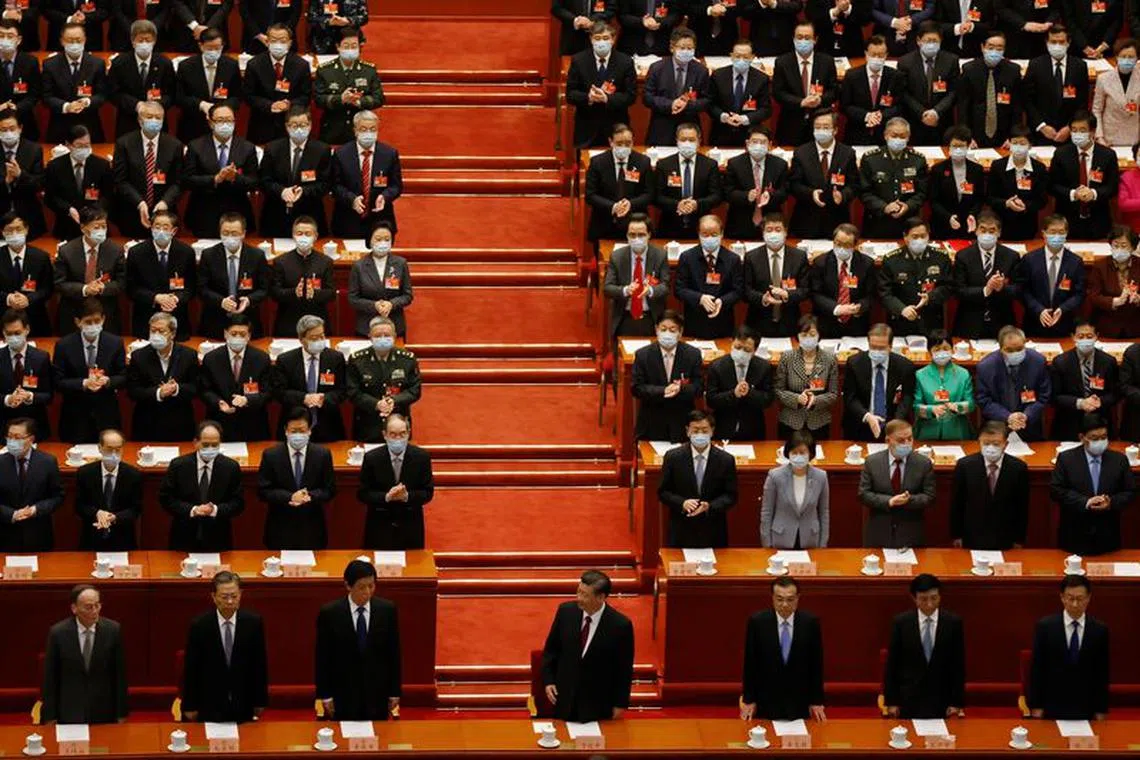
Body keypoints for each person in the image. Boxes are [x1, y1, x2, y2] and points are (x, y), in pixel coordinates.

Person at [541, 569, 635, 721]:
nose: (579, 598)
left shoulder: (620, 626)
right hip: (565, 700)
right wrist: (548, 681)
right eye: (578, 592)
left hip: (598, 705)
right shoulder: (566, 612)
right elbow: (551, 650)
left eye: (585, 595)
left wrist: (620, 704)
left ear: (601, 597)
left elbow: (624, 669)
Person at [315, 560, 402, 721]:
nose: (367, 592)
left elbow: (393, 653)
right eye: (362, 587)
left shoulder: (387, 610)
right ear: (348, 586)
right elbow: (323, 658)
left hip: (377, 693)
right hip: (343, 693)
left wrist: (394, 691)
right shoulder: (330, 613)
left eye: (371, 586)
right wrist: (325, 695)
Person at [181, 571, 268, 723]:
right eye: (224, 597)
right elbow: (191, 668)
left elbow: (259, 664)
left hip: (243, 702)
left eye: (234, 596)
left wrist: (260, 701)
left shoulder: (253, 623)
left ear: (241, 594)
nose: (229, 601)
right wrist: (189, 705)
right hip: (208, 703)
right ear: (213, 597)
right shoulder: (200, 625)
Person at [740, 577, 826, 721]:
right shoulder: (758, 622)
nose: (785, 605)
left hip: (799, 702)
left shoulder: (810, 623)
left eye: (790, 600)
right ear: (772, 598)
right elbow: (750, 663)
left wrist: (816, 701)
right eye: (779, 599)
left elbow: (816, 664)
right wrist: (749, 700)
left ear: (798, 598)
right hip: (766, 702)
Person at [883, 574, 966, 719]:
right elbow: (892, 665)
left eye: (934, 598)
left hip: (942, 701)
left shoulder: (953, 623)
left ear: (940, 596)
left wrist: (956, 702)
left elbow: (958, 665)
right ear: (914, 598)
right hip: (908, 700)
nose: (929, 604)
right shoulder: (901, 623)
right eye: (923, 599)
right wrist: (892, 702)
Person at [41, 585, 128, 724]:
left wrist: (121, 714)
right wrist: (50, 716)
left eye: (97, 605)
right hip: (69, 712)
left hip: (104, 711)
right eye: (88, 607)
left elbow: (119, 676)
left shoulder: (113, 630)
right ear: (74, 608)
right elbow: (50, 678)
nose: (94, 611)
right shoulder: (58, 633)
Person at [1051, 414, 1135, 555]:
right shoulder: (1066, 459)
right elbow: (1056, 490)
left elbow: (1130, 491)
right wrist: (1085, 502)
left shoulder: (1119, 460)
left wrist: (1111, 503)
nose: (1100, 441)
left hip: (1108, 536)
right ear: (1082, 437)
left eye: (1104, 437)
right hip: (1074, 536)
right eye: (1095, 438)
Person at [1028, 575, 1110, 720]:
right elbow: (1037, 669)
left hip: (1086, 708)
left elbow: (1102, 674)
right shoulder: (1045, 627)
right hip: (1052, 706)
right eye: (1070, 598)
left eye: (1080, 598)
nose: (1074, 604)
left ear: (1088, 598)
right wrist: (1036, 706)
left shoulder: (1099, 630)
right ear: (1062, 597)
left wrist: (1101, 710)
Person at [258, 407, 336, 551]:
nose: (298, 435)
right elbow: (263, 491)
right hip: (280, 529)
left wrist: (310, 496)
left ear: (310, 431)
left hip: (312, 529)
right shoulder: (271, 455)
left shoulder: (322, 454)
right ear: (286, 431)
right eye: (294, 431)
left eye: (302, 431)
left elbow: (329, 490)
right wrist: (290, 497)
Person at [159, 420, 244, 552]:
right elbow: (166, 499)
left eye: (215, 445)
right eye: (205, 444)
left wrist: (215, 510)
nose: (210, 449)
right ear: (195, 442)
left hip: (218, 537)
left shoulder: (230, 467)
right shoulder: (179, 466)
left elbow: (238, 503)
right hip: (183, 536)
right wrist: (192, 510)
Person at [658, 410, 738, 547]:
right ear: (687, 431)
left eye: (704, 430)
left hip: (713, 530)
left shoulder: (726, 460)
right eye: (695, 430)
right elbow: (663, 492)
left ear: (712, 431)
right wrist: (682, 503)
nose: (700, 434)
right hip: (681, 529)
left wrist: (710, 506)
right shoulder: (673, 457)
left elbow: (731, 495)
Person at [52, 298, 126, 444]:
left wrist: (108, 381)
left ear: (103, 319)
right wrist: (84, 383)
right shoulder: (63, 345)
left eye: (97, 321)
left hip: (106, 416)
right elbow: (57, 381)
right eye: (88, 322)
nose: (93, 326)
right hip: (75, 417)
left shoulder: (115, 343)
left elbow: (124, 376)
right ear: (78, 322)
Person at [358, 414, 434, 550]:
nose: (398, 439)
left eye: (402, 434)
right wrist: (386, 497)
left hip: (410, 526)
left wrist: (407, 496)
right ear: (384, 435)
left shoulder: (422, 457)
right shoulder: (372, 458)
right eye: (393, 434)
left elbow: (427, 492)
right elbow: (363, 493)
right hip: (380, 525)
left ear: (409, 433)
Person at [950, 420, 1029, 549]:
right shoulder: (965, 466)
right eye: (986, 443)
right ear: (979, 442)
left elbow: (1022, 507)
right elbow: (957, 503)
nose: (990, 448)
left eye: (996, 444)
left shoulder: (1018, 468)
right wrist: (957, 535)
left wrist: (1019, 539)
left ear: (1005, 444)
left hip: (1005, 536)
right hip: (972, 535)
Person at [183, 103, 259, 238]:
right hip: (204, 214)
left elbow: (254, 182)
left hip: (237, 213)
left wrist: (235, 177)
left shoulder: (247, 148)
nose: (225, 124)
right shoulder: (195, 146)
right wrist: (215, 179)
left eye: (229, 120)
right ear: (211, 123)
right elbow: (187, 180)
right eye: (220, 120)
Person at [111, 103, 185, 239]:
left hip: (165, 216)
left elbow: (178, 182)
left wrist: (165, 202)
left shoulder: (174, 145)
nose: (154, 121)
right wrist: (140, 203)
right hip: (132, 211)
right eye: (149, 117)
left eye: (158, 118)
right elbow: (120, 181)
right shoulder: (124, 143)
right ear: (140, 120)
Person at [858, 419, 936, 547]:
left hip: (911, 532)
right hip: (879, 532)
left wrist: (909, 500)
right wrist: (889, 501)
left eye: (910, 439)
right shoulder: (872, 462)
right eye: (901, 440)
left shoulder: (923, 464)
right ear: (888, 441)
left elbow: (930, 497)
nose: (907, 444)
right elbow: (863, 494)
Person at [200, 314, 274, 442]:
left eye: (242, 334)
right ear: (225, 334)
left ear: (249, 336)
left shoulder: (261, 359)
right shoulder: (211, 359)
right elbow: (204, 389)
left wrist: (248, 400)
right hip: (220, 424)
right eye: (233, 333)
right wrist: (218, 402)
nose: (238, 337)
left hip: (253, 425)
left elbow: (268, 392)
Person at [126, 312, 199, 442]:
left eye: (161, 331)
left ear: (173, 334)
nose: (156, 335)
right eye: (153, 331)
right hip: (147, 424)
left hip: (180, 423)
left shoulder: (189, 355)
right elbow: (133, 392)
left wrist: (176, 388)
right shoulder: (138, 356)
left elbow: (195, 388)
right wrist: (159, 392)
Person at [632, 310, 703, 442]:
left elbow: (698, 388)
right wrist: (663, 390)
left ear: (680, 332)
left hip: (682, 423)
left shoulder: (693, 355)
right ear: (656, 330)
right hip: (651, 422)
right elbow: (637, 388)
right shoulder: (643, 355)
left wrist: (680, 389)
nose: (667, 333)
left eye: (672, 329)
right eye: (663, 329)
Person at [259, 107, 331, 237]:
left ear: (310, 126)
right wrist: (281, 191)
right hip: (276, 217)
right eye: (294, 125)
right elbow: (264, 181)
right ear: (287, 126)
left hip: (309, 215)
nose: (299, 129)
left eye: (303, 125)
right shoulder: (272, 149)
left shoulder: (322, 150)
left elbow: (325, 184)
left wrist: (304, 191)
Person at [347, 317, 422, 442]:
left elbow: (415, 390)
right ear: (370, 337)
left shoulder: (407, 359)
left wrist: (394, 401)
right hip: (368, 424)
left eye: (386, 335)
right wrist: (376, 404)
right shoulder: (357, 360)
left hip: (399, 424)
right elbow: (352, 392)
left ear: (394, 336)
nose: (382, 338)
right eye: (378, 335)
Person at [275, 316, 347, 443]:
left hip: (328, 425)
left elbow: (342, 391)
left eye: (322, 336)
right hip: (295, 425)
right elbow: (279, 392)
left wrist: (324, 398)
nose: (320, 340)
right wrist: (304, 398)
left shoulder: (336, 358)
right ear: (302, 339)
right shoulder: (286, 360)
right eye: (314, 338)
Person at [54, 207, 125, 335]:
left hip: (106, 313)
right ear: (83, 228)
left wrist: (103, 287)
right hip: (74, 311)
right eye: (96, 227)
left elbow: (122, 282)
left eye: (104, 226)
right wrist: (85, 289)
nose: (101, 231)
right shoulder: (66, 251)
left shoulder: (115, 250)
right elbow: (59, 283)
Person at [331, 110, 402, 237]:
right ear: (355, 130)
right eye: (363, 129)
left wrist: (384, 196)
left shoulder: (389, 154)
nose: (368, 133)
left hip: (380, 221)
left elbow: (396, 186)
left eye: (372, 129)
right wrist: (351, 199)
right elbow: (335, 186)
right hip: (348, 221)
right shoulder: (341, 154)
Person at [125, 209, 194, 340]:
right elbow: (131, 289)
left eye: (165, 227)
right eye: (157, 226)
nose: (161, 231)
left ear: (173, 231)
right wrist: (156, 297)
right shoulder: (136, 253)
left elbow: (191, 288)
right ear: (151, 228)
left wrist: (175, 299)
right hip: (146, 319)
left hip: (176, 318)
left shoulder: (186, 252)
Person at [197, 214, 269, 338]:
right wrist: (221, 301)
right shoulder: (208, 255)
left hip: (247, 320)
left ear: (243, 234)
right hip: (215, 321)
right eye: (225, 233)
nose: (229, 237)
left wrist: (249, 300)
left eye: (234, 233)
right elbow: (201, 288)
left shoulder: (256, 256)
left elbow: (264, 289)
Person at [1049, 111, 1118, 241]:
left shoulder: (1107, 155)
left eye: (1082, 130)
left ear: (1092, 132)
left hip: (1098, 221)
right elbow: (1052, 186)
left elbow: (1112, 187)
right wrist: (1073, 193)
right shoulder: (1061, 154)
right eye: (1074, 130)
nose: (1077, 134)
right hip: (1067, 221)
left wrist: (1094, 193)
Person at [878, 217, 953, 336]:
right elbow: (884, 293)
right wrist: (901, 309)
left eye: (923, 236)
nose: (920, 240)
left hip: (931, 321)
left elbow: (948, 287)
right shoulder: (891, 260)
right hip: (901, 322)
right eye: (915, 236)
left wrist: (930, 297)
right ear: (905, 237)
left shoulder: (941, 257)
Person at [788, 111, 858, 239]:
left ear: (835, 130)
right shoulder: (801, 153)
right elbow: (794, 185)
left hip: (837, 222)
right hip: (807, 221)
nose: (821, 131)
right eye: (817, 127)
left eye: (825, 127)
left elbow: (854, 185)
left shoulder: (847, 153)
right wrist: (811, 193)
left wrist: (843, 195)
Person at [975, 324, 1052, 441]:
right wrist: (1008, 417)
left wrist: (1026, 415)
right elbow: (983, 400)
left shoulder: (1038, 361)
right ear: (1000, 348)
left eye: (1019, 349)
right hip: (997, 427)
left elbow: (1044, 396)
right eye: (1009, 350)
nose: (1015, 353)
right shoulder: (986, 367)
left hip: (1029, 426)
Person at [951, 211, 1021, 339]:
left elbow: (1018, 290)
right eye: (983, 230)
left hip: (1002, 325)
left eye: (992, 230)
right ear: (976, 231)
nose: (987, 234)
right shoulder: (963, 256)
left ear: (999, 233)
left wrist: (1001, 288)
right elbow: (958, 291)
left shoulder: (1011, 256)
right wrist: (986, 290)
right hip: (970, 324)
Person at [673, 214, 743, 339]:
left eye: (714, 234)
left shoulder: (733, 259)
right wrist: (700, 298)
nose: (709, 238)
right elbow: (679, 289)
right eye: (705, 234)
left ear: (722, 234)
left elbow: (738, 291)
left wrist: (722, 301)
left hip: (723, 325)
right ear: (698, 234)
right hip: (694, 324)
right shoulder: (687, 257)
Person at [842, 323, 916, 441]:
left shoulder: (905, 366)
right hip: (860, 426)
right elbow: (850, 398)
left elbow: (907, 397)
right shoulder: (855, 363)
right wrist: (867, 416)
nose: (876, 351)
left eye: (881, 348)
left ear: (890, 346)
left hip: (893, 428)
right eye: (873, 347)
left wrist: (895, 423)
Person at [1016, 214, 1087, 337]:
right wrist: (1039, 309)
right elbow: (1023, 290)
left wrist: (1063, 309)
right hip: (1034, 323)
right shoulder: (1030, 259)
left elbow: (1079, 294)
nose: (1057, 236)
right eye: (1053, 232)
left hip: (1064, 324)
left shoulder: (1075, 262)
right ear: (1044, 234)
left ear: (1066, 234)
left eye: (1061, 232)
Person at [566, 23, 635, 149]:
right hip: (586, 127)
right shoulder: (579, 60)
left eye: (605, 38)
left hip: (616, 127)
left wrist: (607, 99)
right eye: (597, 38)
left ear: (613, 40)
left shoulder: (625, 62)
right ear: (591, 39)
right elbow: (570, 94)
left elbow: (630, 96)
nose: (601, 42)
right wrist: (589, 97)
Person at [859, 117, 929, 240]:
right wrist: (884, 207)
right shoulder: (870, 159)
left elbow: (922, 193)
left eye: (903, 136)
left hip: (909, 224)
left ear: (908, 137)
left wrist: (907, 206)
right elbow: (864, 192)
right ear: (886, 135)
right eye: (894, 135)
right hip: (877, 222)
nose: (898, 139)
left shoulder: (918, 160)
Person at [242, 23, 311, 146]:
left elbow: (306, 96)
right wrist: (270, 105)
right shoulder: (254, 64)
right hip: (262, 124)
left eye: (283, 41)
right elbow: (248, 96)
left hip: (291, 124)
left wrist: (289, 104)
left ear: (290, 43)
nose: (278, 44)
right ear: (267, 42)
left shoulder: (301, 65)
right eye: (274, 40)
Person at [106, 19, 176, 140]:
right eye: (140, 40)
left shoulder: (164, 64)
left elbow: (172, 94)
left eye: (148, 40)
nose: (144, 43)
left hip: (156, 122)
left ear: (154, 41)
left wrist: (155, 106)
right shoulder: (119, 63)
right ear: (133, 42)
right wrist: (137, 105)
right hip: (128, 122)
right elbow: (113, 93)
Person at [1051, 320, 1119, 440]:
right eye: (1080, 336)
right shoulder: (1060, 362)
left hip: (1100, 421)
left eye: (1089, 336)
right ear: (1073, 337)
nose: (1085, 340)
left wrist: (1100, 401)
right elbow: (1054, 397)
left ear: (1096, 336)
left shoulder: (1108, 361)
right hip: (1069, 423)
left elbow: (1115, 394)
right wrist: (1080, 403)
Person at [314, 28, 385, 145]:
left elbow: (379, 98)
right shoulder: (325, 70)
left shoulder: (369, 70)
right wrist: (340, 99)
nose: (350, 49)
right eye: (346, 46)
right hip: (332, 128)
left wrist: (359, 101)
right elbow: (318, 99)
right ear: (338, 46)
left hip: (360, 130)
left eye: (354, 46)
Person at [0, 417, 62, 551]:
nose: (12, 442)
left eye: (17, 437)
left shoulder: (48, 462)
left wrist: (35, 509)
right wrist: (12, 514)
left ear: (31, 439)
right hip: (5, 534)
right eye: (9, 437)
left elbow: (57, 496)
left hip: (38, 533)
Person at [603, 214, 669, 339]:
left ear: (649, 234)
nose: (637, 239)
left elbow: (665, 287)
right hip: (625, 317)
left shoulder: (660, 256)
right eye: (632, 235)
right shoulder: (617, 257)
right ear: (627, 236)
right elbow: (607, 288)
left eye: (641, 235)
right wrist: (626, 290)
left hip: (651, 317)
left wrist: (650, 290)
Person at [651, 122, 722, 239]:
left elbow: (717, 196)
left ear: (699, 141)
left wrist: (696, 204)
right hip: (670, 226)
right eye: (683, 139)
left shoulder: (710, 165)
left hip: (702, 227)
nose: (687, 143)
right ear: (677, 141)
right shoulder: (664, 165)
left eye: (691, 139)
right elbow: (657, 197)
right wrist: (677, 205)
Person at [772, 22, 839, 145]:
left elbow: (834, 91)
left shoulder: (826, 61)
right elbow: (778, 93)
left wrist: (820, 100)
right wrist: (801, 102)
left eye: (807, 38)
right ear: (793, 39)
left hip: (819, 126)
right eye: (799, 37)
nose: (803, 41)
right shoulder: (782, 62)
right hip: (790, 125)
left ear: (815, 40)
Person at [761, 430, 830, 548]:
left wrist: (822, 545)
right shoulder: (775, 476)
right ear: (788, 453)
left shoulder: (821, 477)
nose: (798, 456)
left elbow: (824, 513)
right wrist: (767, 544)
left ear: (810, 454)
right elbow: (767, 513)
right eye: (794, 452)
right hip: (781, 539)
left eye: (802, 452)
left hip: (810, 540)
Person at [586, 124, 654, 243]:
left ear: (633, 142)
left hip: (635, 225)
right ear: (611, 142)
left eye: (628, 143)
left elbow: (649, 194)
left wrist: (630, 204)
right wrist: (613, 207)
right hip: (604, 224)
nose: (623, 147)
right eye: (619, 143)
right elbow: (590, 195)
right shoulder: (598, 162)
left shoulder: (643, 162)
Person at [642, 28, 710, 146]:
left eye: (690, 48)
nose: (686, 51)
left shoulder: (701, 71)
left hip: (690, 128)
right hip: (662, 128)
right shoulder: (657, 68)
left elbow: (707, 100)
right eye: (682, 48)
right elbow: (647, 97)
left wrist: (687, 105)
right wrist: (670, 104)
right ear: (672, 47)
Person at [269, 217, 336, 337]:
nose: (303, 237)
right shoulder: (281, 262)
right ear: (293, 235)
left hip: (317, 322)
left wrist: (315, 294)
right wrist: (293, 292)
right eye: (299, 233)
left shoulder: (325, 262)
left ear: (315, 236)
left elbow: (331, 293)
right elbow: (274, 293)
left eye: (308, 234)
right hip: (288, 322)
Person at [774, 315, 839, 439]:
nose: (808, 338)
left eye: (812, 334)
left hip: (819, 422)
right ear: (797, 336)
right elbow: (778, 390)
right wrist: (796, 398)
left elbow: (833, 393)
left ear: (819, 335)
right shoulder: (787, 358)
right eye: (804, 335)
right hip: (790, 421)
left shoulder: (829, 359)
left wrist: (816, 400)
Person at [75, 428, 141, 551]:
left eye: (118, 449)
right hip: (91, 539)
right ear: (100, 448)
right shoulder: (85, 473)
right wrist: (97, 513)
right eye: (109, 449)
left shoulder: (133, 475)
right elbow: (79, 505)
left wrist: (116, 517)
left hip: (123, 540)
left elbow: (136, 509)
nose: (114, 454)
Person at [743, 213, 807, 336]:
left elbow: (805, 290)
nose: (773, 234)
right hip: (758, 324)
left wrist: (788, 295)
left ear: (785, 232)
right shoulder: (751, 257)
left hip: (790, 323)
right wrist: (762, 298)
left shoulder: (799, 257)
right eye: (769, 230)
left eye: (778, 230)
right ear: (763, 233)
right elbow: (746, 290)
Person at [44, 125, 112, 240]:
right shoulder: (55, 166)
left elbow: (108, 195)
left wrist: (93, 212)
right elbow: (50, 198)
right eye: (79, 146)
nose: (84, 149)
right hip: (66, 226)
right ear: (68, 145)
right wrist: (68, 209)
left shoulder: (102, 165)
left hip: (95, 225)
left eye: (87, 145)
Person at [1023, 27, 1089, 146]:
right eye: (1053, 42)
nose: (1057, 46)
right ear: (1047, 43)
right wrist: (1042, 126)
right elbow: (1027, 100)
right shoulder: (1036, 65)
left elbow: (1082, 102)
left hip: (1070, 134)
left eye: (1061, 42)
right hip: (1040, 133)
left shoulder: (1080, 66)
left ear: (1068, 43)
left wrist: (1070, 127)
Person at [705, 325, 773, 440]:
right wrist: (734, 394)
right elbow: (711, 400)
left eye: (746, 350)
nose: (741, 352)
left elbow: (768, 400)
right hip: (723, 428)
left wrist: (749, 393)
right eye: (737, 347)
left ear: (755, 350)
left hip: (753, 430)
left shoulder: (764, 367)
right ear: (732, 343)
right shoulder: (717, 367)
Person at [895, 23, 959, 145]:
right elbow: (903, 93)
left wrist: (936, 112)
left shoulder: (951, 61)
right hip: (915, 120)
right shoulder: (905, 62)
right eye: (927, 40)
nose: (931, 44)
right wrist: (922, 113)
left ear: (941, 41)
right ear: (919, 41)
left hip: (942, 121)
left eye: (934, 40)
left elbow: (953, 91)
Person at [174, 28, 241, 143]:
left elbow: (237, 96)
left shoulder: (231, 65)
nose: (213, 52)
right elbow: (179, 97)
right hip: (193, 125)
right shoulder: (186, 66)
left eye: (217, 48)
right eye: (209, 48)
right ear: (201, 46)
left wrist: (221, 109)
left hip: (222, 125)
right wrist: (202, 105)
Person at [809, 223, 876, 338]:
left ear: (856, 245)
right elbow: (815, 294)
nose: (841, 248)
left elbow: (872, 294)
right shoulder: (820, 263)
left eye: (847, 245)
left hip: (857, 325)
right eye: (838, 243)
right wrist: (837, 308)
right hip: (827, 323)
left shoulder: (867, 264)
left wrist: (860, 307)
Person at [347, 222, 413, 339]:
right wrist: (374, 305)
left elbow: (407, 295)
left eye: (387, 239)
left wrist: (392, 304)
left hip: (394, 325)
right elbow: (353, 299)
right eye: (378, 239)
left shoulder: (400, 263)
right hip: (366, 325)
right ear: (370, 241)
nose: (383, 243)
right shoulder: (359, 266)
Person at [42, 23, 106, 143]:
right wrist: (67, 106)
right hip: (60, 126)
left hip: (89, 125)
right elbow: (46, 97)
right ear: (62, 41)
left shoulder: (97, 64)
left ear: (85, 40)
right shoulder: (50, 65)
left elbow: (102, 95)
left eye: (78, 40)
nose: (74, 44)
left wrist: (87, 102)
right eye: (70, 40)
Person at [955, 31, 1021, 147]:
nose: (994, 51)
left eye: (999, 48)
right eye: (991, 47)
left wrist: (1014, 137)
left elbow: (1017, 108)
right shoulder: (969, 69)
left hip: (1004, 137)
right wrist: (966, 137)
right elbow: (963, 107)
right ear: (982, 47)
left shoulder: (1013, 71)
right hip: (974, 135)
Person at [985, 126, 1049, 242]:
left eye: (1022, 143)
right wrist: (1007, 203)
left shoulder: (1039, 168)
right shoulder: (998, 166)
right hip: (1001, 225)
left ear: (1030, 145)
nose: (1018, 147)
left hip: (1027, 225)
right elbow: (990, 198)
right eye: (1015, 143)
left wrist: (1025, 205)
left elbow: (1042, 200)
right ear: (1009, 143)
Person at [724, 126, 788, 240]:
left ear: (770, 145)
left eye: (763, 142)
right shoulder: (734, 164)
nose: (758, 145)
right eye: (754, 142)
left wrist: (771, 196)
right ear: (747, 143)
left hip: (770, 225)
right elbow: (727, 193)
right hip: (740, 224)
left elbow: (784, 192)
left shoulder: (780, 165)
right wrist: (746, 196)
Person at [0, 311, 54, 438]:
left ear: (27, 329)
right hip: (4, 426)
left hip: (34, 426)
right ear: (3, 333)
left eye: (17, 333)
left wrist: (29, 396)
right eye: (9, 334)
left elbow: (49, 395)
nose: (13, 337)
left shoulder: (41, 357)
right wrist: (8, 399)